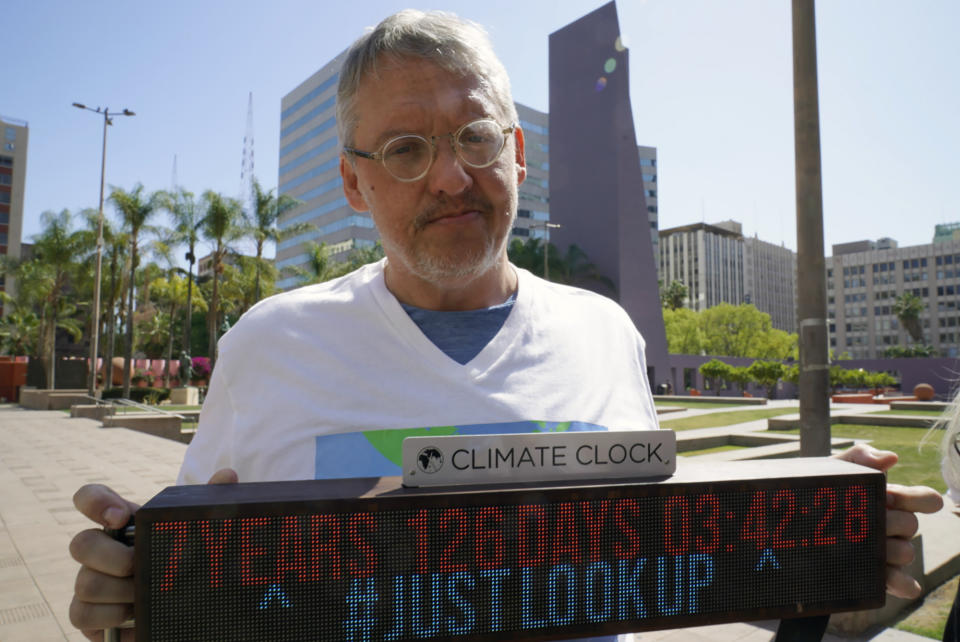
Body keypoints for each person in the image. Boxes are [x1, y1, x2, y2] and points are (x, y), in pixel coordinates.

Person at [68, 9, 943, 640]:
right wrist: (137, 593)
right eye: (406, 150)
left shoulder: (607, 334)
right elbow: (199, 585)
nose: (451, 177)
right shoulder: (269, 344)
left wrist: (829, 531)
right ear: (352, 183)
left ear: (517, 156)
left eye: (476, 137)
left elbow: (651, 562)